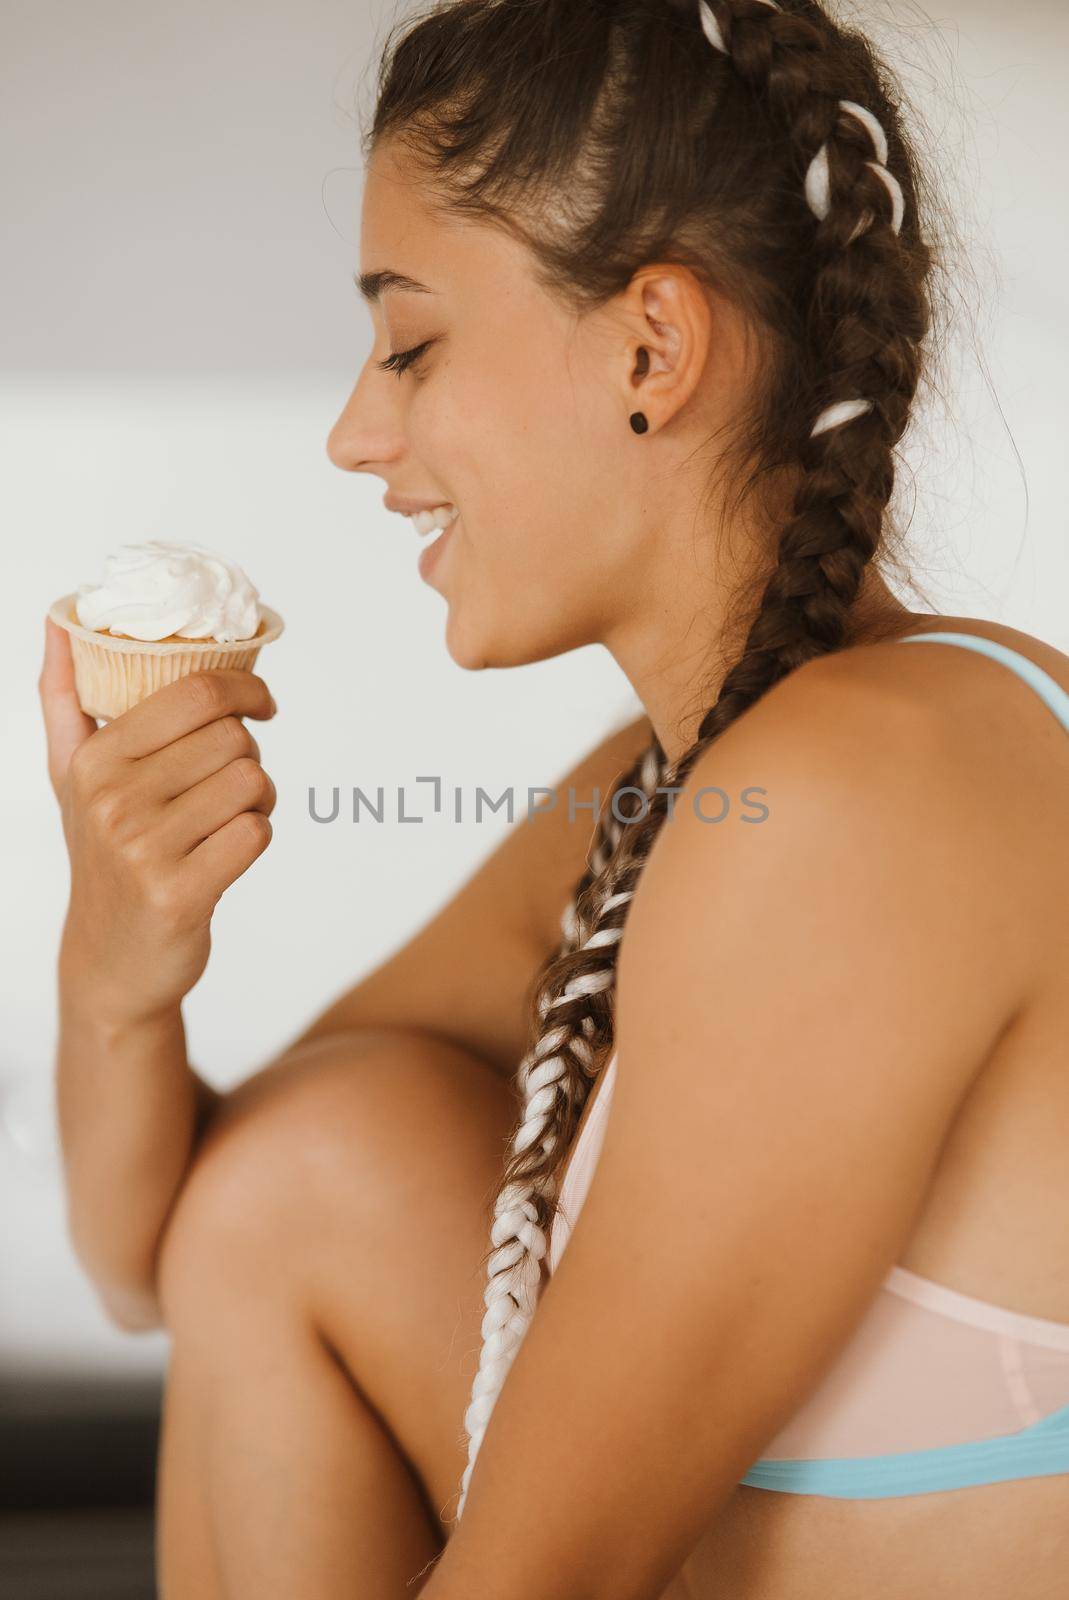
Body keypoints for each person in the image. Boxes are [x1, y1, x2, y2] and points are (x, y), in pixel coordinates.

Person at [39, 1, 1069, 1596]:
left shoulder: (857, 798)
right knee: (317, 1165)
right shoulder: (675, 785)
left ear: (651, 348)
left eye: (412, 343)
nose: (354, 433)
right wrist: (119, 962)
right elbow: (166, 1255)